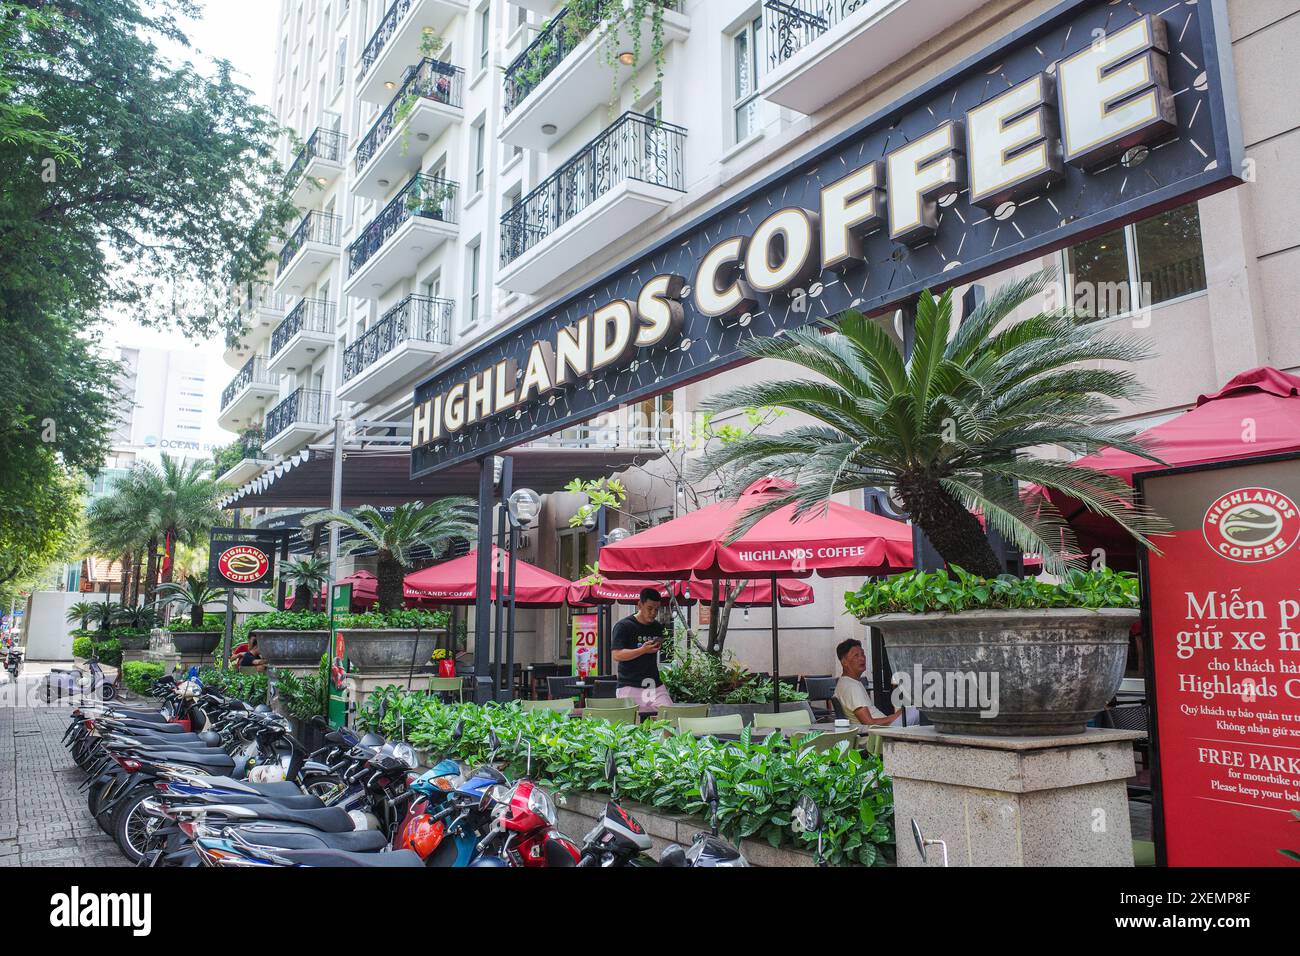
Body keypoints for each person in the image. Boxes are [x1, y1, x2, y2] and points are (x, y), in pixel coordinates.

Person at [612, 587, 673, 713]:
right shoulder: (624, 626)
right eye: (649, 608)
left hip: (653, 683)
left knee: (669, 714)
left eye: (656, 609)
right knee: (633, 725)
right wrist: (642, 650)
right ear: (640, 605)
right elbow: (617, 655)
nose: (653, 613)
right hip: (629, 684)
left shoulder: (657, 627)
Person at [833, 638, 901, 727]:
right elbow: (869, 723)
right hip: (882, 731)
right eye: (856, 655)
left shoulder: (847, 682)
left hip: (886, 727)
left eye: (863, 654)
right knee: (918, 710)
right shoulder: (851, 687)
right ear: (844, 662)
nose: (862, 658)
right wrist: (898, 715)